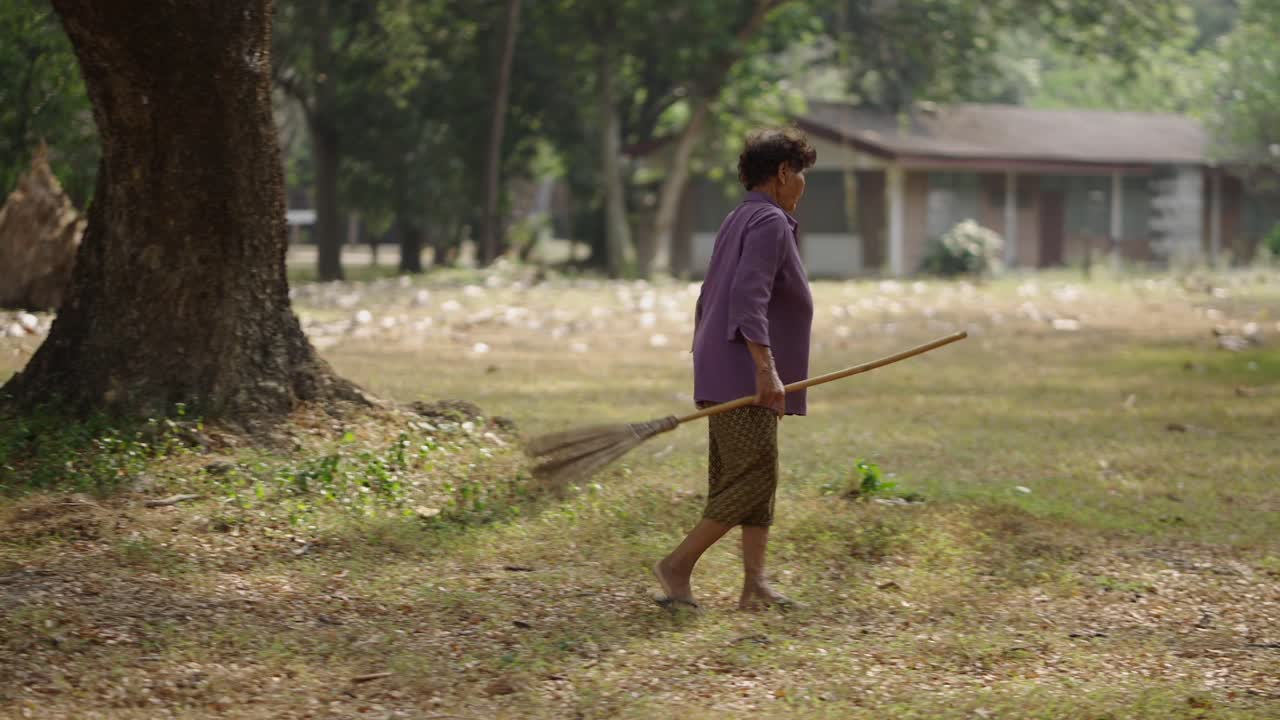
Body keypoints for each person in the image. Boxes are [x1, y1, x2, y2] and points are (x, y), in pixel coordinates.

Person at [653, 127, 816, 611]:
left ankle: (755, 585)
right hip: (745, 370)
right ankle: (677, 565)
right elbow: (749, 297)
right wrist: (765, 368)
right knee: (750, 480)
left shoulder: (741, 216)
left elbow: (710, 298)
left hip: (725, 365)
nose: (803, 185)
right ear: (784, 173)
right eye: (802, 173)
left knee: (750, 476)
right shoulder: (768, 221)